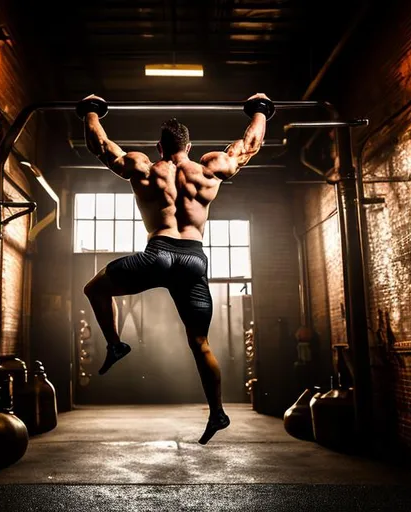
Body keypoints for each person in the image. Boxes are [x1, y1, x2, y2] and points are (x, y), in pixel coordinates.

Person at [80, 93, 270, 444]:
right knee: (200, 342)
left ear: (159, 147)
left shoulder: (145, 168)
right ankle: (218, 411)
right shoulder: (210, 168)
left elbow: (101, 146)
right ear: (190, 144)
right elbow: (250, 145)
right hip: (194, 260)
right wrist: (260, 110)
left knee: (94, 289)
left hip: (158, 253)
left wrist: (91, 112)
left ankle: (115, 344)